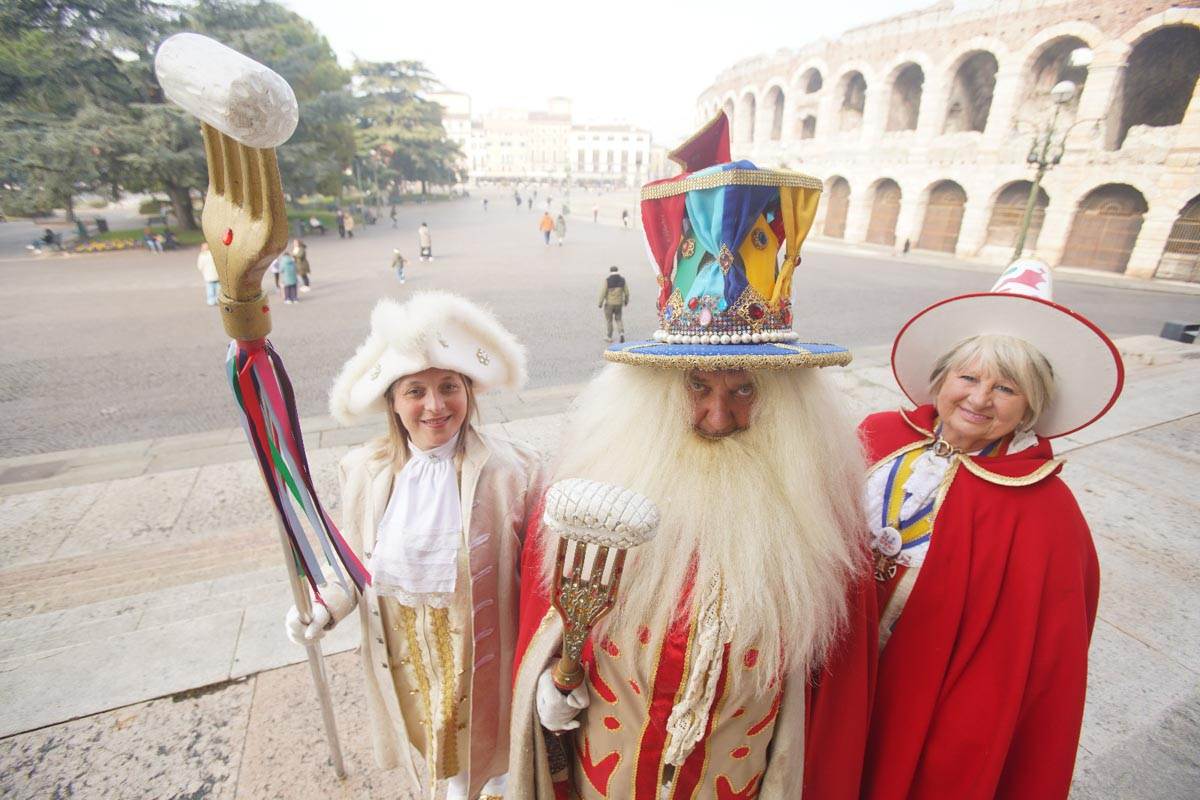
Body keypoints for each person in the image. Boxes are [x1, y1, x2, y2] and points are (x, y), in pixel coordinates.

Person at [507, 116, 876, 799]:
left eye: (744, 391)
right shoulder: (597, 479)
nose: (717, 415)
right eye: (697, 387)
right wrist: (545, 687)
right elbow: (553, 616)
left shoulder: (823, 512)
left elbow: (828, 693)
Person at [858, 258, 1124, 799]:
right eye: (969, 377)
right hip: (834, 657)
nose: (979, 399)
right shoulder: (876, 435)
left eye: (1006, 388)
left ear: (1031, 406)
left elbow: (1033, 658)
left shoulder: (1045, 508)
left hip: (923, 693)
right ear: (943, 378)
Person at [289, 292, 543, 800]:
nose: (435, 406)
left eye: (449, 386)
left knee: (490, 765)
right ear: (392, 401)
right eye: (415, 391)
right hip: (407, 661)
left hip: (484, 667)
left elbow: (541, 583)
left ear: (469, 392)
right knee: (433, 764)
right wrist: (324, 606)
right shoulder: (363, 471)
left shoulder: (514, 472)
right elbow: (354, 567)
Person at [597, 266, 628, 343]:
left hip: (609, 304)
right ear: (617, 271)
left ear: (610, 271)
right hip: (619, 304)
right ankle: (621, 333)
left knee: (609, 320)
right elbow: (627, 292)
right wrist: (626, 301)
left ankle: (609, 336)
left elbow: (603, 292)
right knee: (618, 319)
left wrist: (600, 303)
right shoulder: (622, 280)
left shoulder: (608, 280)